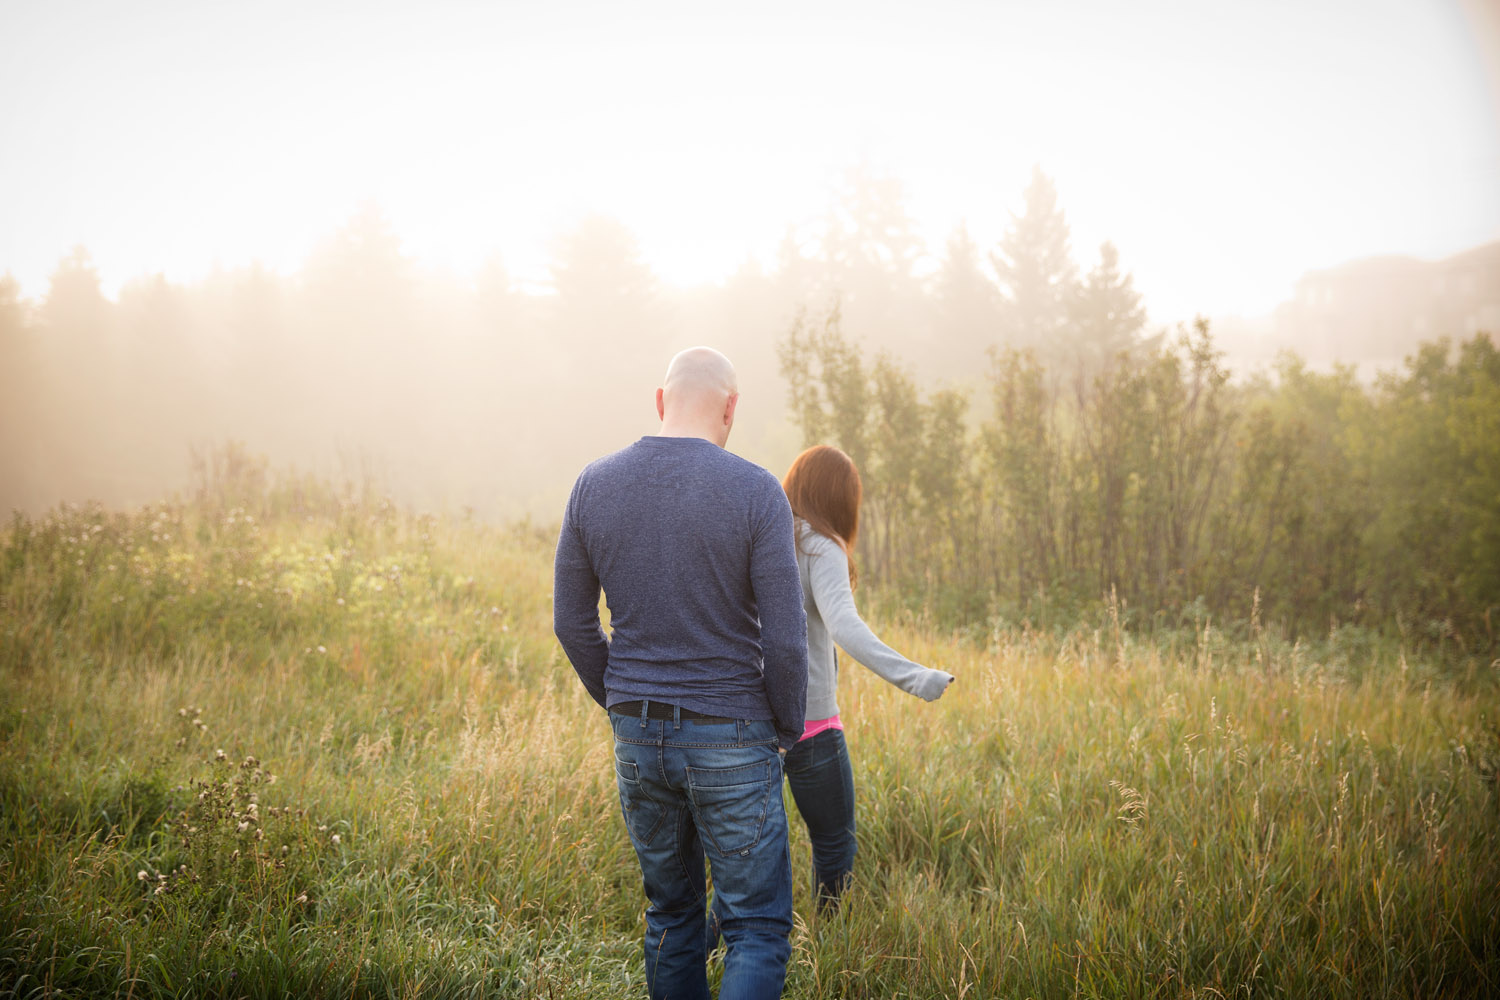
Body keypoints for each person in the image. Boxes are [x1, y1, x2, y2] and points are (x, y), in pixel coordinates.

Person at [553, 347, 809, 1000]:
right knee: (754, 928)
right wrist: (783, 728)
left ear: (661, 400)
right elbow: (785, 640)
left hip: (640, 739)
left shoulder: (592, 484)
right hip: (733, 733)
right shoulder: (756, 491)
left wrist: (623, 703)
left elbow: (572, 624)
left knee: (671, 914)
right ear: (731, 407)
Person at [779, 444, 954, 912]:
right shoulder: (820, 546)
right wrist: (916, 677)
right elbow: (845, 627)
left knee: (750, 862)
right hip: (811, 725)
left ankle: (713, 949)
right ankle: (831, 945)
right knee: (834, 844)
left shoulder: (763, 538)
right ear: (839, 499)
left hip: (749, 726)